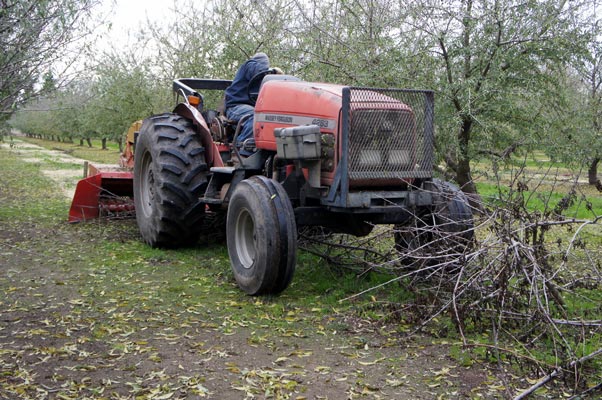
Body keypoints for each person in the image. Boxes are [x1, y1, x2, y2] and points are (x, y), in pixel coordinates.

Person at [224, 53, 273, 151]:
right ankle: (240, 152)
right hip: (236, 107)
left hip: (252, 108)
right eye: (264, 66)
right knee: (254, 118)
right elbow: (257, 70)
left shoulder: (262, 81)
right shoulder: (249, 65)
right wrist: (273, 72)